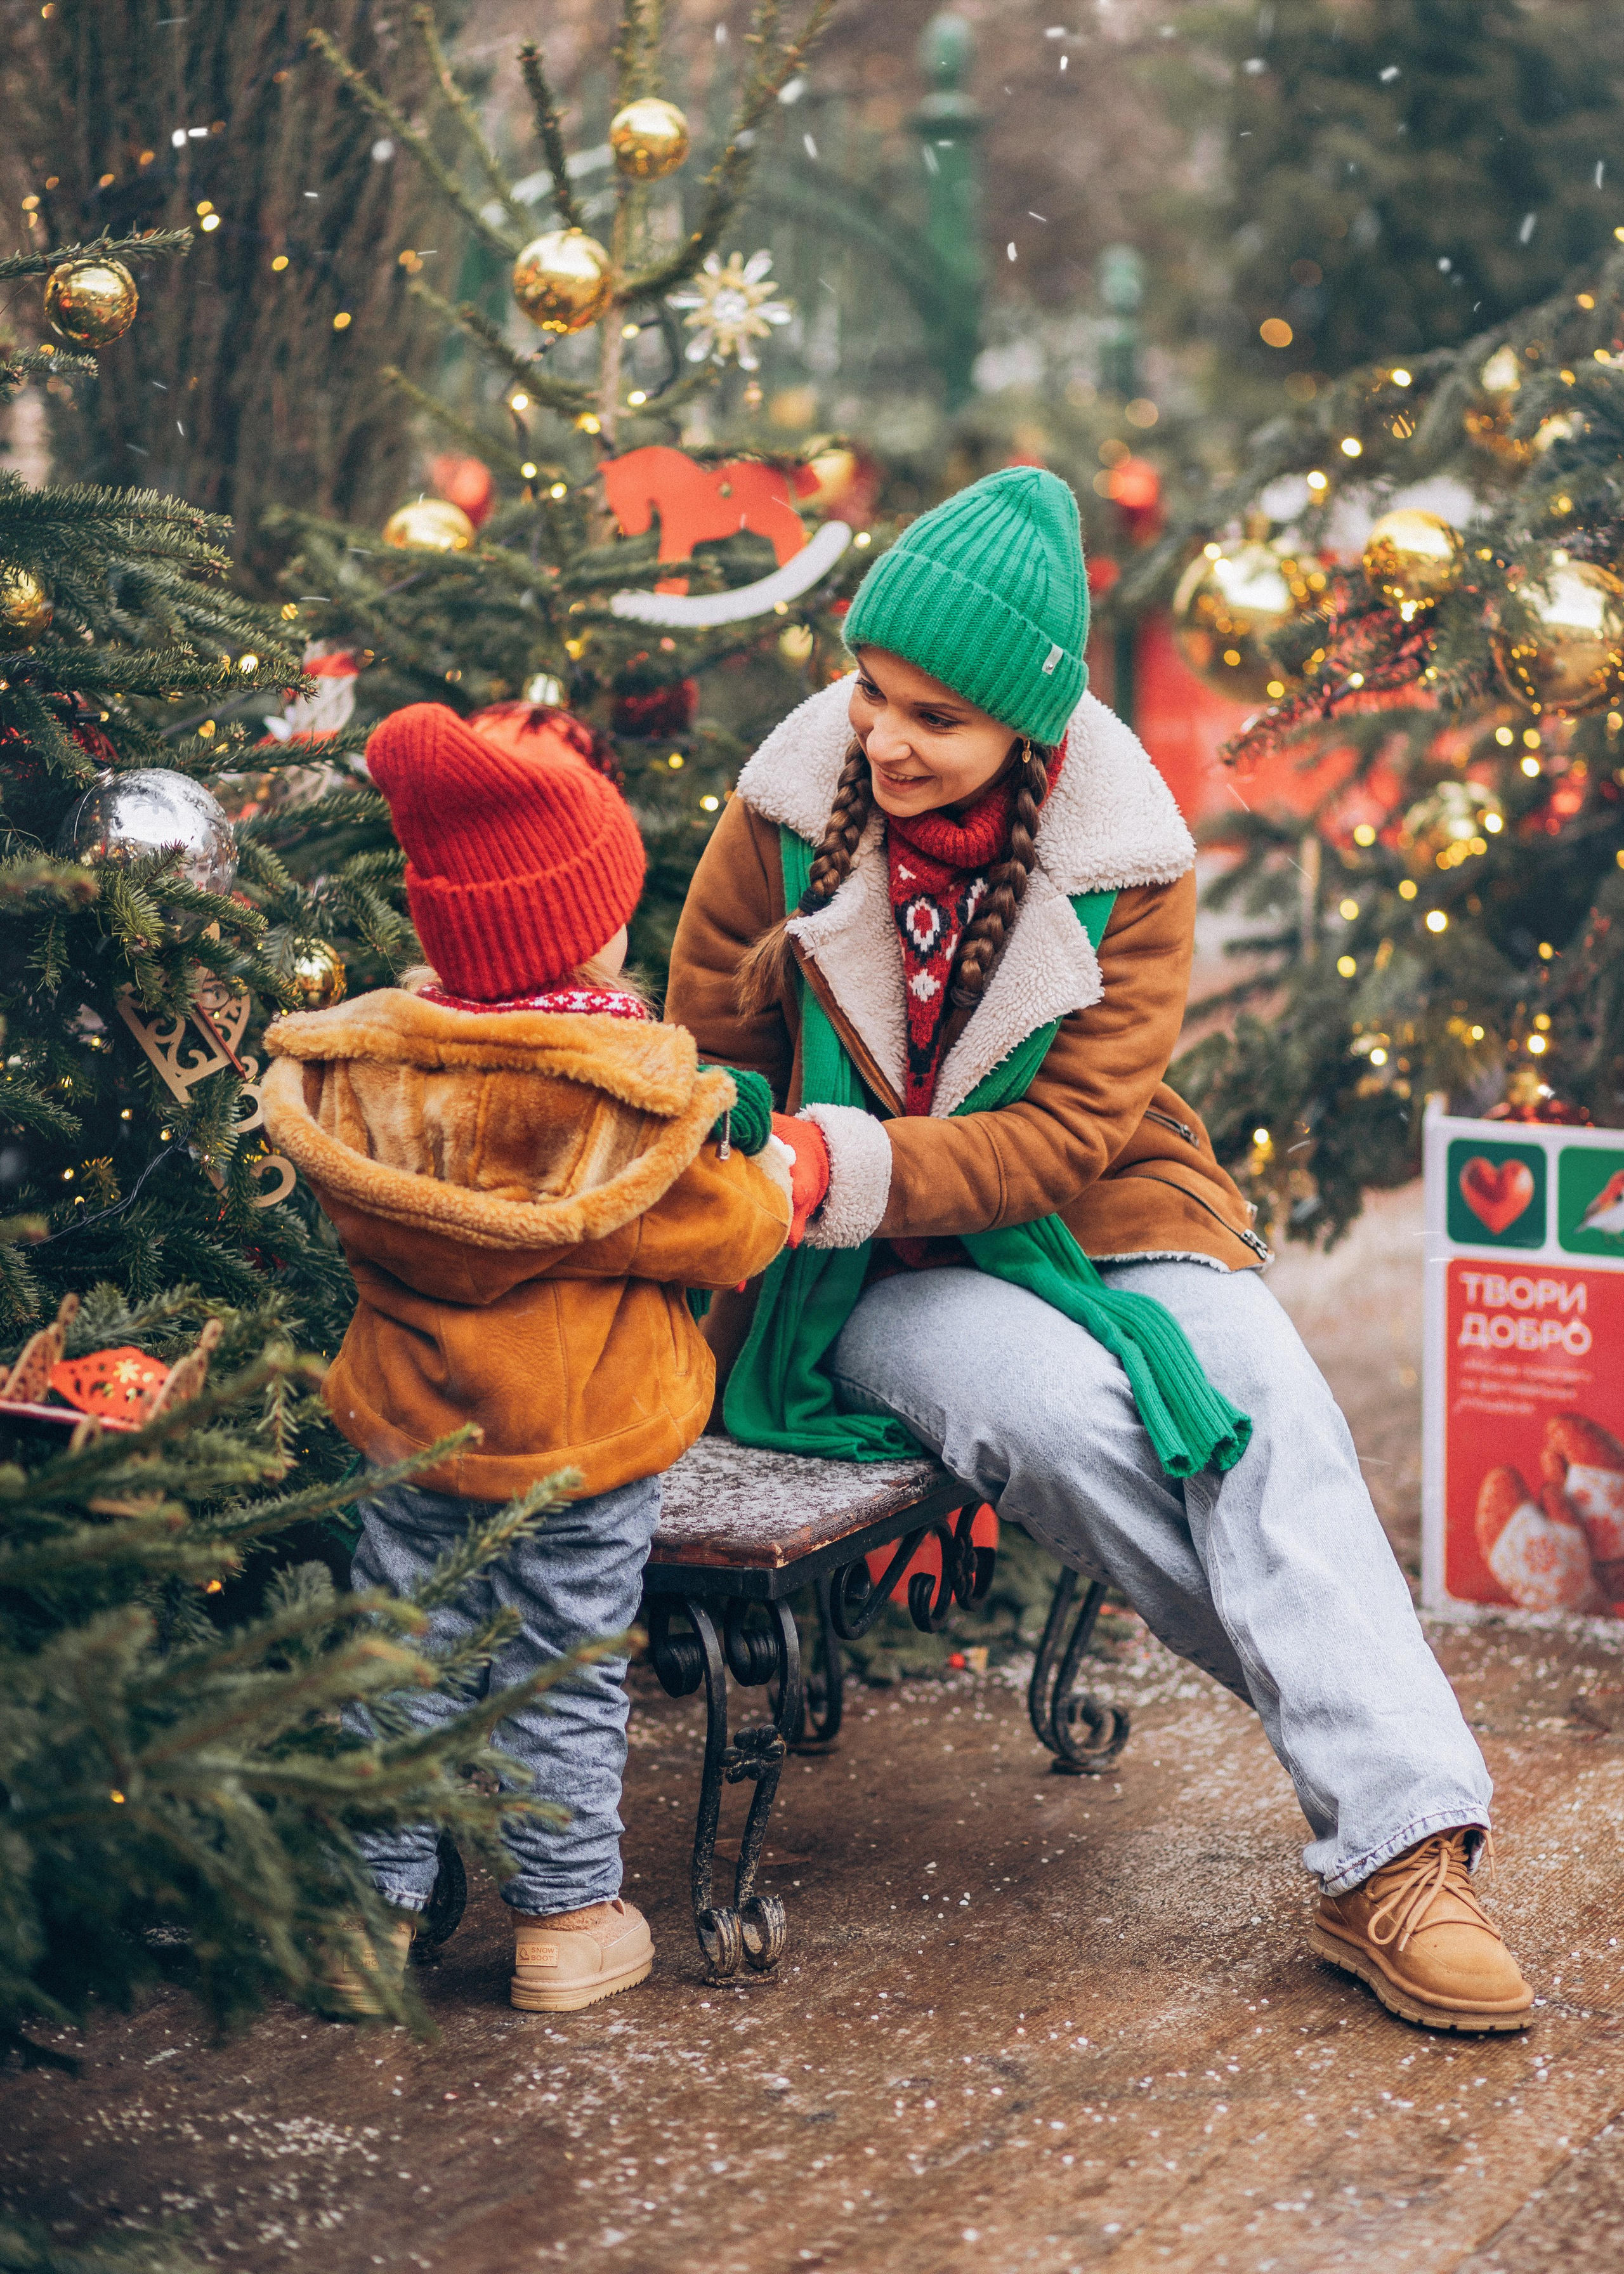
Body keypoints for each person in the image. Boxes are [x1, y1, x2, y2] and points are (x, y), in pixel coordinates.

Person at [664, 465, 1535, 2036]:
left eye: (935, 715)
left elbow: (1065, 1138)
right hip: (848, 1261)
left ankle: (1395, 1856)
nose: (884, 736)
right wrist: (758, 1149)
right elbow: (705, 1038)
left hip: (1091, 1197)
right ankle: (1389, 1798)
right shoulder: (790, 804)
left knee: (1265, 1405)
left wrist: (844, 1148)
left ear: (1029, 729)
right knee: (1059, 1420)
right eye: (873, 691)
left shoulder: (1124, 852)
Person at [263, 702, 792, 2016]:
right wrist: (766, 1175)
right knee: (563, 1667)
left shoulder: (371, 1070)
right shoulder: (621, 1093)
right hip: (582, 1443)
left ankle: (362, 1923)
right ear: (581, 927)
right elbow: (727, 1232)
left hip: (413, 1430)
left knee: (401, 1657)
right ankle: (562, 1922)